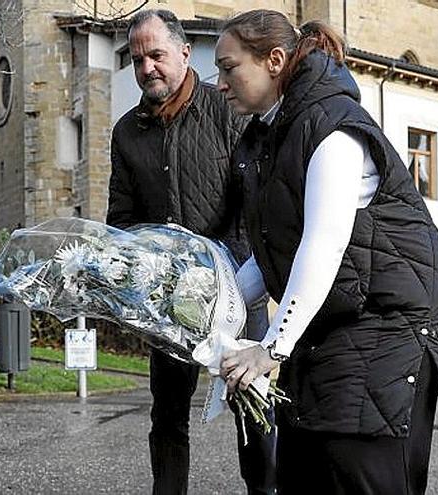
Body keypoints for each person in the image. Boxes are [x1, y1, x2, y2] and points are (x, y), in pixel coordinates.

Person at [215, 10, 438, 494]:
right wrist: (204, 305)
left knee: (359, 474)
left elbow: (324, 242)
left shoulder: (331, 126)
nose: (220, 83)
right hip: (333, 329)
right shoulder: (270, 137)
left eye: (229, 68)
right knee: (300, 473)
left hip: (391, 331)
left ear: (273, 60)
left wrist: (272, 347)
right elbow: (271, 253)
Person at [106, 9, 276, 495]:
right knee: (167, 416)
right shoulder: (126, 132)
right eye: (137, 60)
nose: (147, 69)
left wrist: (235, 271)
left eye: (156, 55)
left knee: (254, 408)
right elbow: (121, 218)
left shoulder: (227, 107)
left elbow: (255, 199)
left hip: (237, 290)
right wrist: (135, 278)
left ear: (184, 52)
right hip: (168, 300)